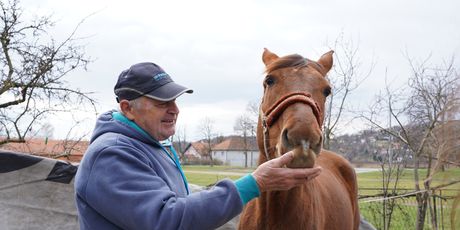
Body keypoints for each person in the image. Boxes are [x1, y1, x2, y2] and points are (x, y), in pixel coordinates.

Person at [74, 62, 322, 230]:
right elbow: (168, 220)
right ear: (128, 108)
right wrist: (254, 184)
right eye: (162, 102)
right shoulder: (111, 155)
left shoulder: (149, 145)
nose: (175, 109)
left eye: (174, 100)